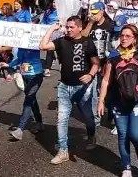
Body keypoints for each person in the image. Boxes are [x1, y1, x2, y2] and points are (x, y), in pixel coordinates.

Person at [97, 25, 138, 177]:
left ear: (135, 38)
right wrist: (101, 101)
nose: (124, 38)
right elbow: (106, 80)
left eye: (128, 36)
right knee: (122, 134)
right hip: (118, 101)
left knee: (136, 135)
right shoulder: (113, 56)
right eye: (122, 35)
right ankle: (126, 166)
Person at [39, 16, 100, 165]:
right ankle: (63, 150)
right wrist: (52, 29)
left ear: (79, 28)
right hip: (64, 87)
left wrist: (91, 75)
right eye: (67, 27)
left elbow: (96, 63)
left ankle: (91, 135)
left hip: (83, 88)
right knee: (62, 119)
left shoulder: (87, 42)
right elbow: (43, 46)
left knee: (88, 117)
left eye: (71, 27)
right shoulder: (61, 41)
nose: (68, 29)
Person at [81, 2, 115, 126]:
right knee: (94, 91)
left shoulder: (110, 24)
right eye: (92, 13)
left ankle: (111, 113)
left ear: (102, 11)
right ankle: (96, 118)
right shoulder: (90, 23)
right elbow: (83, 36)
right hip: (93, 62)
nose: (94, 16)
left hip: (107, 62)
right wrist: (90, 23)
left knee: (107, 89)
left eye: (96, 13)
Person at [6, 46, 45, 141]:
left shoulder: (35, 44)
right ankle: (39, 122)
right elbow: (19, 60)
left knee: (28, 101)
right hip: (25, 76)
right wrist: (8, 65)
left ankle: (20, 129)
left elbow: (44, 47)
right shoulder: (20, 47)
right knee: (32, 99)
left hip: (36, 76)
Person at [41, 0, 59, 77]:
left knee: (60, 51)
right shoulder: (48, 11)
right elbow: (43, 21)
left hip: (59, 33)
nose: (54, 4)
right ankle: (47, 68)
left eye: (56, 2)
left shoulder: (62, 11)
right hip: (50, 33)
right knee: (49, 50)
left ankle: (62, 67)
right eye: (53, 2)